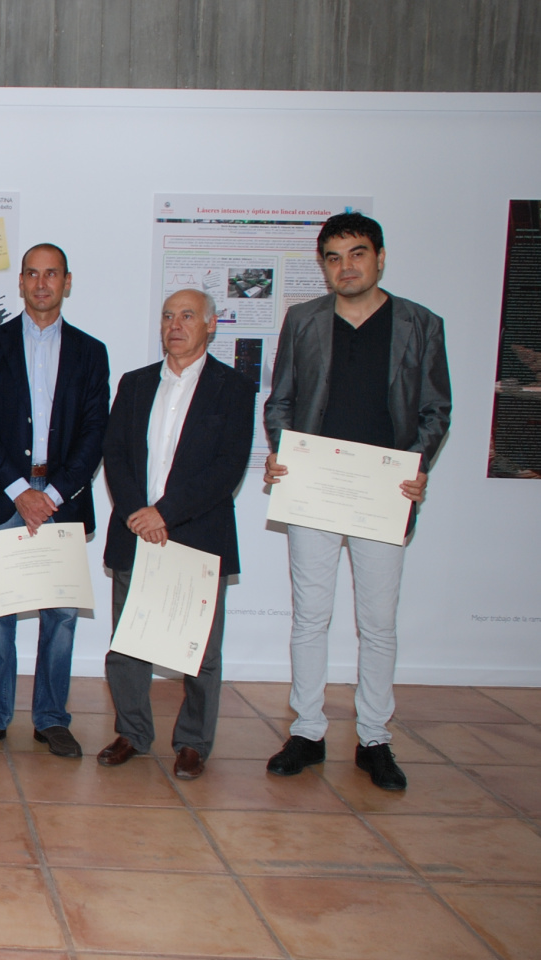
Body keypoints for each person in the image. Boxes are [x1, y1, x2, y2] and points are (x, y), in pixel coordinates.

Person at [263, 213, 450, 791]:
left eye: (358, 254)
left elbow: (435, 411)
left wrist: (415, 467)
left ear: (381, 257)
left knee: (378, 623)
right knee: (310, 618)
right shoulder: (303, 320)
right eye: (334, 257)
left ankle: (374, 738)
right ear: (323, 265)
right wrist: (282, 455)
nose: (346, 267)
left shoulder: (421, 324)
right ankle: (309, 732)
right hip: (314, 493)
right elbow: (280, 403)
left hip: (381, 496)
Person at [97, 288, 256, 780]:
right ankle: (132, 732)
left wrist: (164, 513)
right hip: (135, 531)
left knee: (201, 652)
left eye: (188, 316)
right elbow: (116, 455)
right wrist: (137, 512)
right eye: (168, 316)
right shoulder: (136, 382)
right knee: (128, 643)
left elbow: (227, 467)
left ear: (211, 325)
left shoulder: (233, 388)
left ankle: (192, 742)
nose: (176, 325)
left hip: (197, 535)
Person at [0, 243, 109, 759]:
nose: (42, 283)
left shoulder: (91, 353)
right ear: (21, 282)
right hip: (6, 496)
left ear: (67, 282)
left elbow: (96, 432)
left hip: (61, 499)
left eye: (52, 274)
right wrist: (19, 490)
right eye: (32, 274)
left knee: (61, 617)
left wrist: (48, 494)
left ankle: (51, 718)